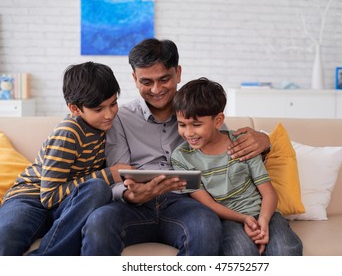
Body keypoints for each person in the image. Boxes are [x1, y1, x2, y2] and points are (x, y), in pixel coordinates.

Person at [81, 38, 271, 256]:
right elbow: (118, 172)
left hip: (184, 203)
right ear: (134, 79)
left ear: (178, 73)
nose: (156, 89)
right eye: (146, 82)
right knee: (98, 222)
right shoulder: (121, 118)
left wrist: (266, 141)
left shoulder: (198, 110)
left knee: (205, 224)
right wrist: (131, 195)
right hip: (133, 206)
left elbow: (225, 147)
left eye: (164, 79)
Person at [0, 62, 130, 255]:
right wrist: (109, 175)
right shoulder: (69, 133)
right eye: (98, 109)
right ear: (75, 108)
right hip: (31, 197)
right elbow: (49, 196)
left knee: (97, 189)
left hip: (69, 205)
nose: (109, 114)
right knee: (6, 239)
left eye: (113, 104)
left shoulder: (108, 128)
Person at [171, 77, 303, 256]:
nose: (188, 133)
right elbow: (208, 203)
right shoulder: (181, 157)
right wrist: (244, 219)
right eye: (182, 125)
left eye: (196, 125)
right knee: (242, 253)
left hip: (264, 213)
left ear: (218, 121)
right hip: (226, 220)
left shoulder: (242, 143)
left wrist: (262, 221)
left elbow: (268, 193)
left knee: (285, 249)